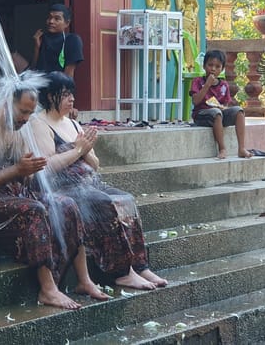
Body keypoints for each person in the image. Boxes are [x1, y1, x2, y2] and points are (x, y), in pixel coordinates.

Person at [0, 83, 109, 309]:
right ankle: (48, 289)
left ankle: (84, 280)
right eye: (22, 112)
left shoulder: (18, 129)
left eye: (30, 112)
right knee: (35, 210)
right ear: (6, 105)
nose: (26, 119)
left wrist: (31, 170)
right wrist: (18, 171)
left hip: (9, 191)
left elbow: (23, 172)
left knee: (67, 204)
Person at [32, 72, 167, 290]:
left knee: (126, 200)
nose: (72, 99)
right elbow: (47, 166)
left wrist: (85, 151)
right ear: (49, 96)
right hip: (64, 188)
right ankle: (121, 272)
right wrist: (78, 150)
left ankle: (140, 266)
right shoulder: (40, 124)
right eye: (65, 94)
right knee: (104, 203)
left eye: (72, 94)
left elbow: (94, 164)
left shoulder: (73, 124)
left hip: (88, 182)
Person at [190, 50, 251, 159]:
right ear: (204, 66)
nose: (213, 69)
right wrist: (207, 85)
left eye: (217, 66)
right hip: (201, 115)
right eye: (210, 65)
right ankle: (222, 149)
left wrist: (222, 107)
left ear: (222, 69)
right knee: (216, 113)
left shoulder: (224, 85)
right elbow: (195, 101)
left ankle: (241, 148)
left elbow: (225, 104)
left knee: (239, 111)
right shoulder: (197, 81)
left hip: (218, 115)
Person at [32, 4, 83, 78]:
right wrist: (37, 48)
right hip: (39, 84)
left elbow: (69, 73)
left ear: (67, 23)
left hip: (58, 85)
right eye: (49, 17)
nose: (51, 21)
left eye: (57, 19)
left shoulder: (72, 40)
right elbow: (33, 70)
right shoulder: (42, 38)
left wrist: (64, 89)